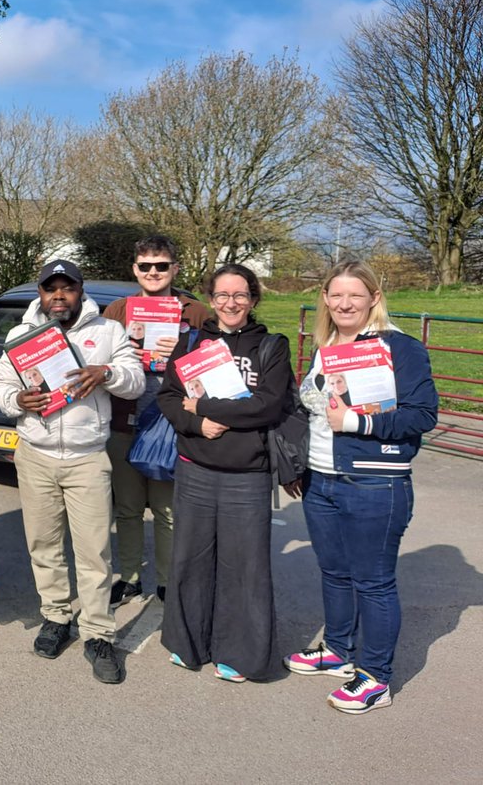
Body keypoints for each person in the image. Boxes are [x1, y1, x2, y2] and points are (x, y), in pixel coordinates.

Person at [283, 260, 438, 714]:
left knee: (373, 582)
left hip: (374, 481)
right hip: (320, 478)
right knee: (334, 572)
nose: (344, 303)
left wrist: (357, 421)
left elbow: (422, 415)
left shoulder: (400, 348)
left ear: (374, 297)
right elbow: (311, 409)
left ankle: (376, 677)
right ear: (325, 300)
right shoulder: (325, 345)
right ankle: (337, 649)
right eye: (335, 295)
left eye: (355, 294)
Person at [0, 260, 145, 684]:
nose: (58, 296)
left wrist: (107, 372)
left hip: (86, 457)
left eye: (67, 288)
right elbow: (2, 387)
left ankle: (97, 634)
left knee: (94, 551)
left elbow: (135, 381)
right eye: (50, 288)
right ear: (40, 293)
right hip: (36, 455)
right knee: (43, 544)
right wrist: (17, 401)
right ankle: (56, 617)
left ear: (80, 290)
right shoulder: (20, 335)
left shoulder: (108, 332)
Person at [157, 263, 293, 682]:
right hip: (195, 468)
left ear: (253, 300)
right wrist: (197, 424)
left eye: (239, 295)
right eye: (222, 295)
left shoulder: (272, 345)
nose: (230, 303)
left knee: (244, 567)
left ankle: (240, 653)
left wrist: (206, 408)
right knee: (190, 560)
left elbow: (268, 405)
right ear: (210, 300)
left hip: (247, 474)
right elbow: (168, 397)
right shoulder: (192, 341)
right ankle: (188, 642)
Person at [103, 235, 211, 606]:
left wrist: (182, 352)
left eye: (161, 265)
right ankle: (130, 577)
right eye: (145, 265)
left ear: (174, 269)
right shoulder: (117, 311)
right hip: (123, 422)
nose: (153, 272)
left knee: (167, 511)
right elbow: (96, 363)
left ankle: (167, 581)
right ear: (135, 269)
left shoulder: (195, 313)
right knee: (128, 509)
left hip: (169, 425)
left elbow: (215, 367)